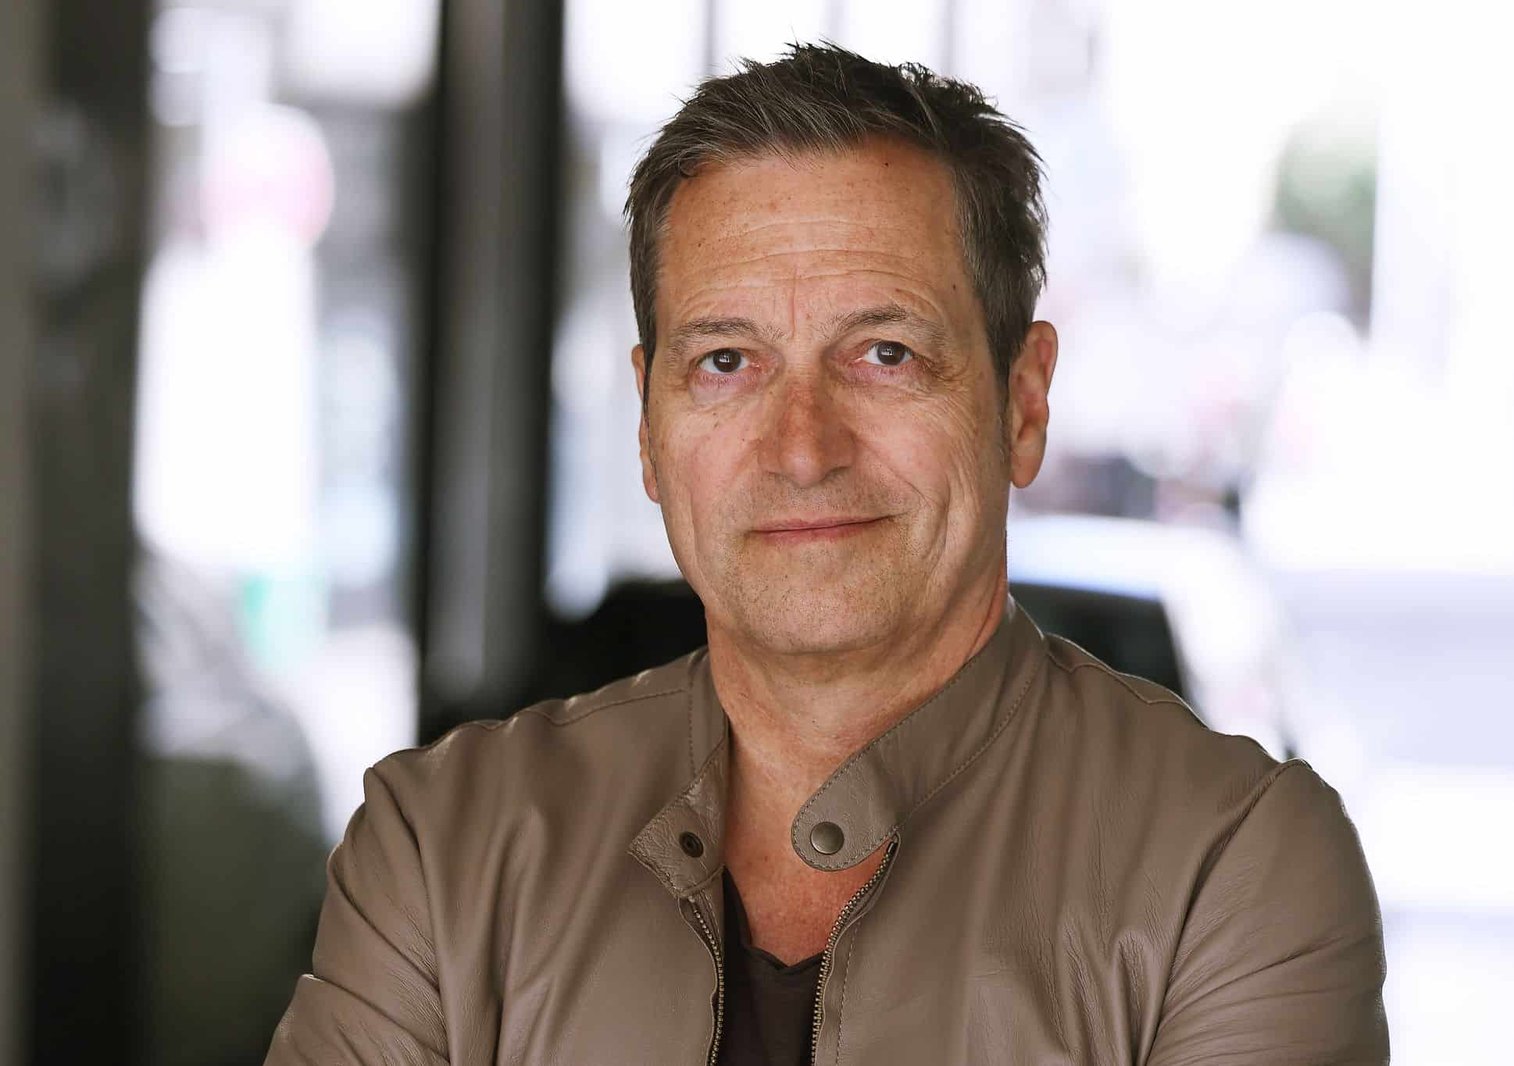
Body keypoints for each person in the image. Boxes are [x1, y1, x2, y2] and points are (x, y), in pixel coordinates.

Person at [266, 43, 1388, 1065]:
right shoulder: (445, 847)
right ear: (649, 429)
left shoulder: (1229, 867)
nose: (803, 449)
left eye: (884, 353)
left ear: (1023, 403)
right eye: (725, 362)